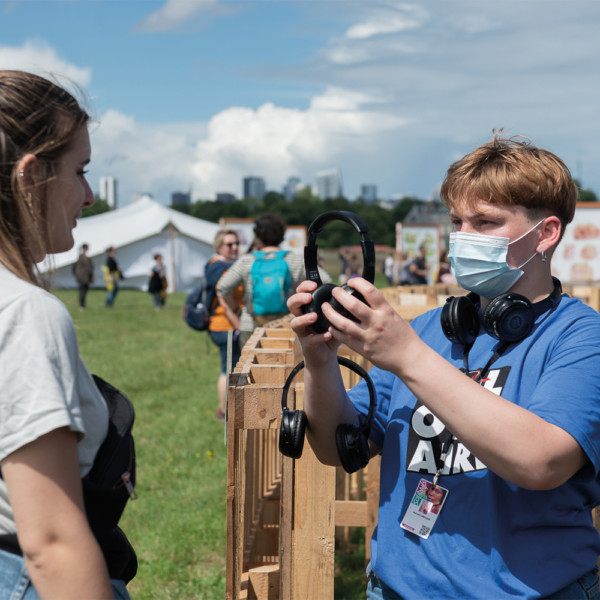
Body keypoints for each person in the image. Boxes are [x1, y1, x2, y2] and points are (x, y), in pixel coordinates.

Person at [287, 133, 600, 599]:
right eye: (457, 221)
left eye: (485, 221)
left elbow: (542, 462)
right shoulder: (430, 328)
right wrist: (320, 362)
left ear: (546, 233)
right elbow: (338, 447)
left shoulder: (580, 336)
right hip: (396, 588)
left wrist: (409, 357)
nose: (463, 236)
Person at [0, 70, 135, 599]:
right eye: (80, 171)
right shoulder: (25, 312)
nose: (89, 196)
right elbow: (51, 541)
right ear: (30, 178)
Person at [216, 213, 331, 348]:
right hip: (287, 325)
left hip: (251, 325)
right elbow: (326, 281)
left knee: (250, 367)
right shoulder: (295, 260)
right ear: (282, 236)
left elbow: (222, 287)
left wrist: (236, 311)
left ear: (258, 235)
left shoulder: (247, 260)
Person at [207, 229, 244, 423]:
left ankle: (228, 408)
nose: (235, 247)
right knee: (227, 369)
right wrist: (238, 318)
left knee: (231, 368)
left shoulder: (226, 265)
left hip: (228, 325)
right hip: (225, 325)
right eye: (230, 244)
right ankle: (223, 411)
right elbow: (222, 297)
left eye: (237, 242)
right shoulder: (218, 267)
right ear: (219, 246)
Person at [72, 242, 94, 310]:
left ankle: (83, 305)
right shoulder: (82, 258)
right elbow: (88, 268)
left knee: (83, 291)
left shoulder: (81, 257)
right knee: (82, 291)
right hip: (83, 277)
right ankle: (82, 306)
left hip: (83, 277)